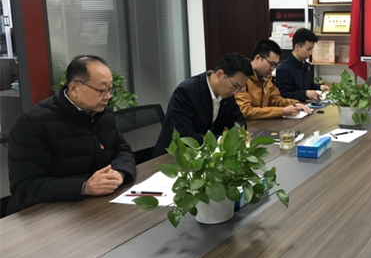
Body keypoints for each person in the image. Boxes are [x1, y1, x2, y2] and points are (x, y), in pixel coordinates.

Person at [7, 55, 136, 214]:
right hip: (45, 216)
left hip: (92, 208)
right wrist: (84, 186)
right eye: (101, 90)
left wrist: (118, 173)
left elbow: (123, 150)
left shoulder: (103, 115)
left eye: (109, 89)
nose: (108, 96)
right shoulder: (33, 124)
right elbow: (25, 188)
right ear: (74, 88)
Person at [152, 53, 253, 157]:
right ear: (220, 75)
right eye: (235, 86)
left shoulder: (227, 92)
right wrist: (220, 140)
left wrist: (238, 131)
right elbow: (184, 136)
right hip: (174, 156)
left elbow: (237, 117)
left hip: (205, 155)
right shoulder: (186, 92)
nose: (236, 92)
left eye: (241, 88)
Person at [236, 40, 312, 120]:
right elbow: (246, 111)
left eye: (276, 65)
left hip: (262, 123)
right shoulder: (241, 77)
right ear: (258, 58)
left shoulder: (266, 77)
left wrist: (295, 104)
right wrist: (282, 111)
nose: (273, 69)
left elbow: (275, 99)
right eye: (272, 64)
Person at [275, 28, 329, 102]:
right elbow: (283, 95)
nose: (310, 53)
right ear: (297, 47)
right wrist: (305, 94)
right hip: (293, 107)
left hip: (307, 105)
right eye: (308, 49)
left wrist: (319, 87)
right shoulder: (284, 69)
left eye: (311, 50)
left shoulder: (305, 65)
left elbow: (308, 85)